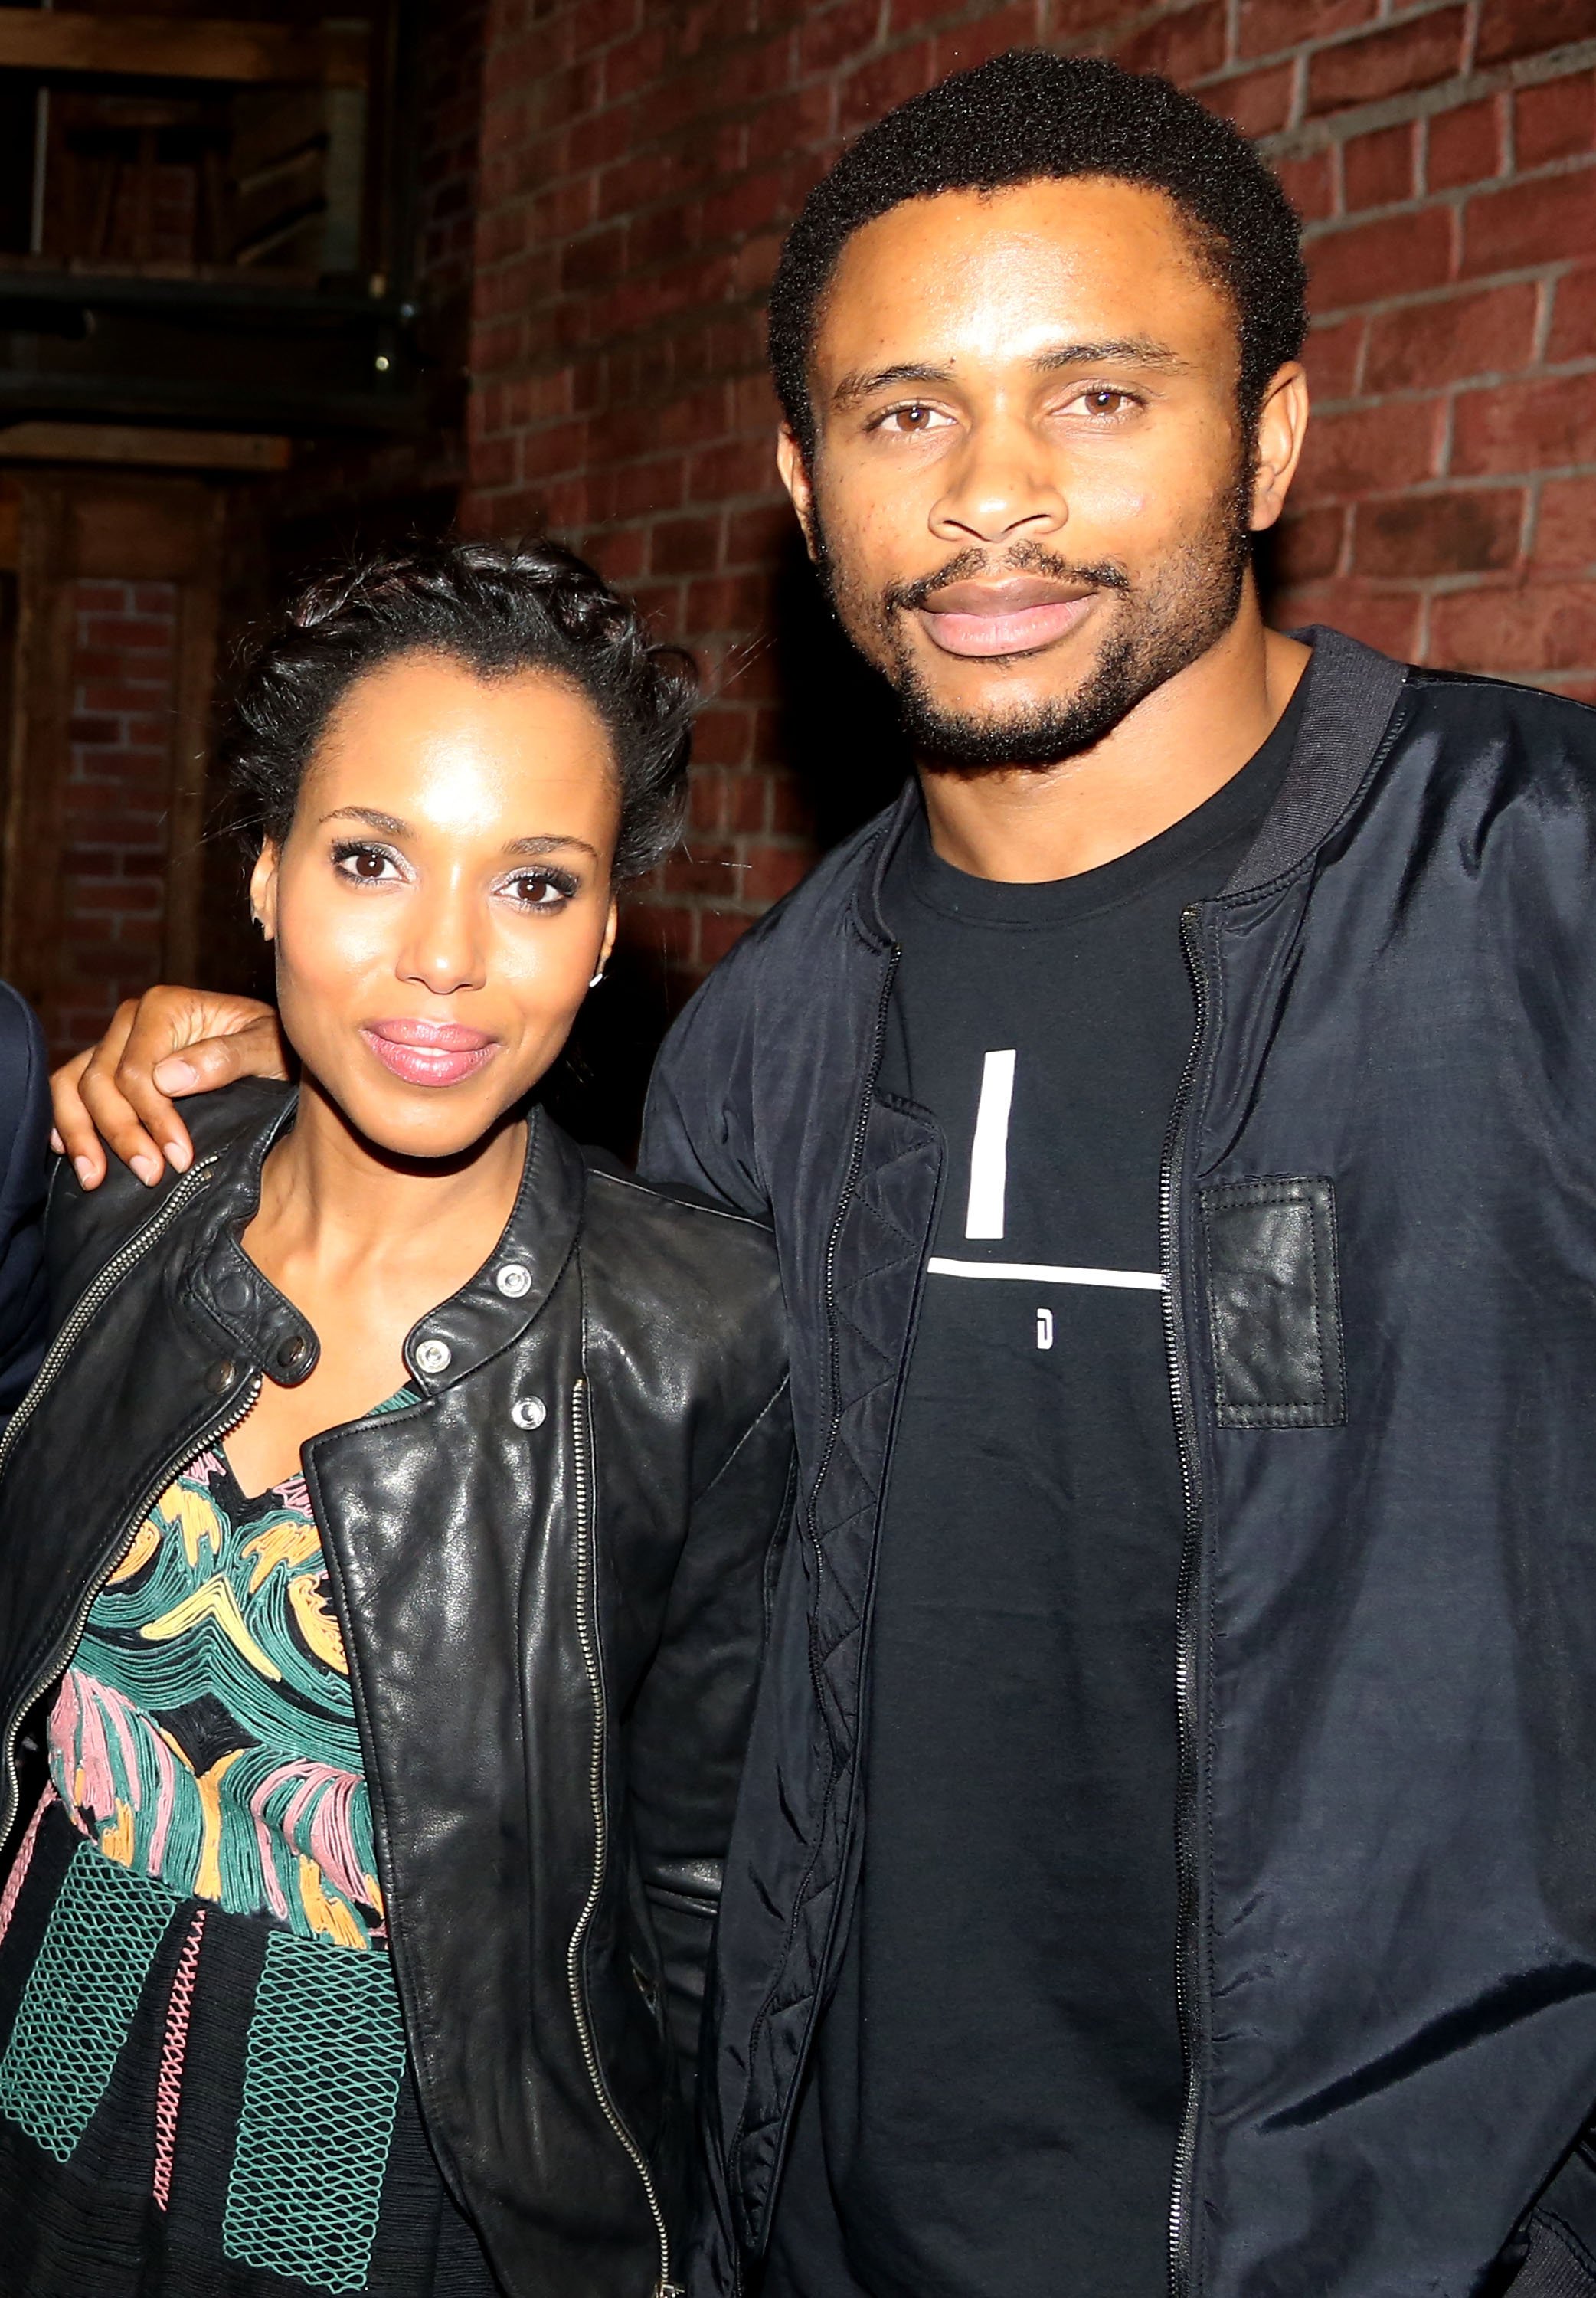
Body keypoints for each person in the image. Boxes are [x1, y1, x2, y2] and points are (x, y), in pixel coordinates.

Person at [47, 45, 1596, 2298]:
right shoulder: (761, 1047)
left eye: (1092, 399)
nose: (989, 502)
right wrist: (262, 1079)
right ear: (801, 482)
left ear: (1264, 437)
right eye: (902, 415)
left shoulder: (1530, 891)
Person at [1, 538, 793, 2298]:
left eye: (530, 885)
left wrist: (679, 2251)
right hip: (26, 2107)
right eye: (371, 861)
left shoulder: (702, 1339)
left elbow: (704, 1903)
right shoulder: (115, 1197)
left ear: (601, 934)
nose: (442, 956)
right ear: (268, 879)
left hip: (396, 2209)